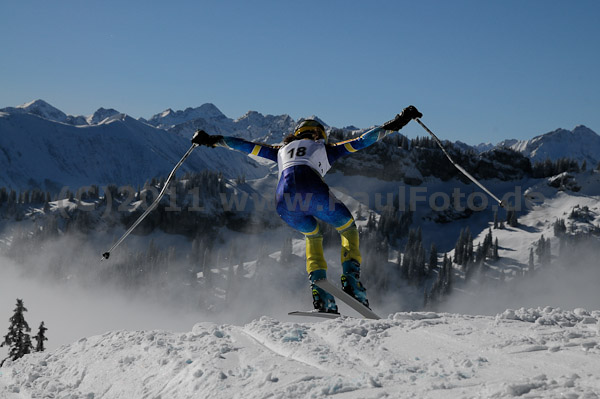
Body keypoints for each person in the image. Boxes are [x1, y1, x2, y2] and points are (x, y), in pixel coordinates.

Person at [192, 105, 422, 314]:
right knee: (348, 228)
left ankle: (320, 293)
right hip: (313, 191)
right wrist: (398, 123)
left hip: (284, 202)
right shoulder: (326, 148)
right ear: (319, 134)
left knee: (313, 235)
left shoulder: (279, 149)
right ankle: (351, 280)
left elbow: (242, 145)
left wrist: (211, 140)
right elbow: (364, 140)